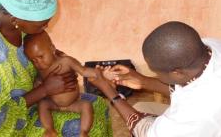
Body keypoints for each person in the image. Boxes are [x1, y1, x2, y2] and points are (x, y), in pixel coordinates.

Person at [0, 0, 112, 137]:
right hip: (10, 123)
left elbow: (37, 57)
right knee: (90, 128)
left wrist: (59, 65)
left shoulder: (18, 28)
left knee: (98, 105)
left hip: (32, 97)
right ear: (16, 19)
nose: (46, 27)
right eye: (42, 25)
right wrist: (45, 89)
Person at [88, 21, 221, 137]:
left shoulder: (195, 112)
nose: (156, 75)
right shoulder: (209, 46)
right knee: (141, 106)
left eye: (157, 72)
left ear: (177, 72)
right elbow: (191, 86)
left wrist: (111, 93)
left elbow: (146, 132)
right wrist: (143, 81)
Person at [24, 31, 115, 137]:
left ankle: (83, 132)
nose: (38, 63)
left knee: (86, 106)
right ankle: (49, 129)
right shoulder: (40, 69)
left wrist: (100, 73)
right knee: (43, 104)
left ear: (52, 48)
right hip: (54, 104)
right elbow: (40, 82)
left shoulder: (66, 61)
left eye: (41, 56)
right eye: (34, 60)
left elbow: (84, 71)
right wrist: (38, 82)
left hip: (73, 103)